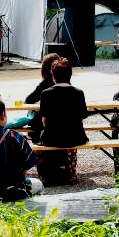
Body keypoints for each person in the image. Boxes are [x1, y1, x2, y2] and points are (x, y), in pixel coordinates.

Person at [38, 58, 87, 186]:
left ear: (53, 76)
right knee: (70, 143)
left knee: (40, 138)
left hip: (52, 137)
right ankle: (71, 172)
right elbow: (82, 116)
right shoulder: (79, 93)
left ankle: (45, 174)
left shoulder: (45, 94)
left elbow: (44, 121)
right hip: (76, 137)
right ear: (70, 75)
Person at [6, 53, 61, 142]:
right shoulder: (66, 84)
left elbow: (29, 100)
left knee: (35, 118)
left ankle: (34, 140)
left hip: (46, 126)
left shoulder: (44, 85)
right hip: (63, 125)